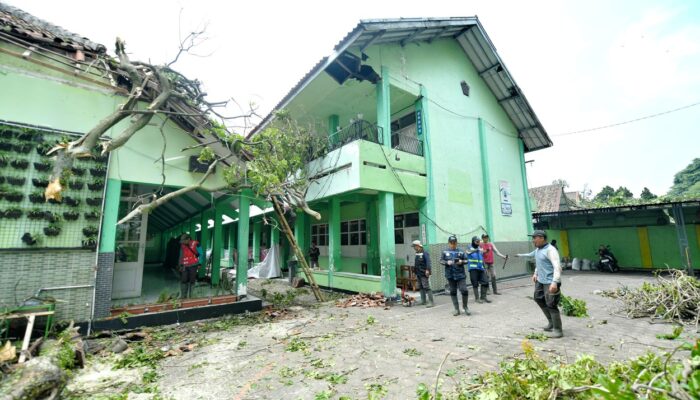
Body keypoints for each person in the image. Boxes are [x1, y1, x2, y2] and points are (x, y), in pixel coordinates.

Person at [516, 230, 563, 338]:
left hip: (550, 282)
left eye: (534, 238)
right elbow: (539, 262)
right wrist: (535, 273)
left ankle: (558, 330)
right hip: (541, 280)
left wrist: (555, 282)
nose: (533, 240)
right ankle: (551, 322)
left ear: (541, 238)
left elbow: (557, 267)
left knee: (551, 304)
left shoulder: (551, 250)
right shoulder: (538, 250)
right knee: (538, 298)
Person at [440, 235, 470, 316]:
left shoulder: (461, 251)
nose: (453, 244)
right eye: (451, 243)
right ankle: (456, 309)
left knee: (464, 290)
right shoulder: (444, 251)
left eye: (454, 243)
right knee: (453, 292)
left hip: (460, 275)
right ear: (449, 243)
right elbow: (441, 261)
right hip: (450, 275)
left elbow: (467, 260)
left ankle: (465, 307)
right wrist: (447, 262)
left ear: (456, 243)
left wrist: (462, 261)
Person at [466, 236, 490, 304]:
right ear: (473, 241)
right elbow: (468, 252)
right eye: (477, 242)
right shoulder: (469, 247)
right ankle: (477, 298)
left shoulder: (480, 248)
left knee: (485, 282)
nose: (478, 243)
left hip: (481, 268)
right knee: (475, 284)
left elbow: (481, 258)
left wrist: (484, 268)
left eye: (479, 242)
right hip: (473, 269)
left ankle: (483, 297)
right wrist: (476, 250)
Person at [411, 240, 433, 307]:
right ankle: (423, 301)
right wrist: (414, 272)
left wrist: (427, 270)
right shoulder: (417, 253)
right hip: (418, 273)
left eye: (414, 246)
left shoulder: (425, 253)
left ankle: (431, 302)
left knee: (426, 287)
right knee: (421, 287)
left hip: (424, 273)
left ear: (418, 246)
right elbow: (416, 264)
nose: (414, 248)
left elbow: (428, 262)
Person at [178, 233, 200, 299]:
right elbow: (181, 256)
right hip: (185, 265)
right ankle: (183, 296)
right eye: (182, 241)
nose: (183, 242)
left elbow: (201, 254)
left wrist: (200, 263)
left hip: (193, 265)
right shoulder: (182, 246)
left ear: (188, 239)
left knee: (192, 281)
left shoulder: (196, 244)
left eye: (184, 241)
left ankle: (191, 296)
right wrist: (180, 265)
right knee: (183, 280)